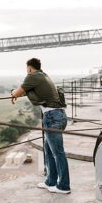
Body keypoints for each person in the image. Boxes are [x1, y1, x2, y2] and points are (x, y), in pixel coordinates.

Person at [12, 57, 71, 194]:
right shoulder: (43, 75)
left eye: (27, 70)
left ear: (30, 68)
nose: (27, 72)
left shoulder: (33, 76)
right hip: (56, 116)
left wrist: (13, 93)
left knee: (58, 153)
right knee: (49, 151)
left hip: (52, 117)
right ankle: (50, 181)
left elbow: (18, 92)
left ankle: (63, 186)